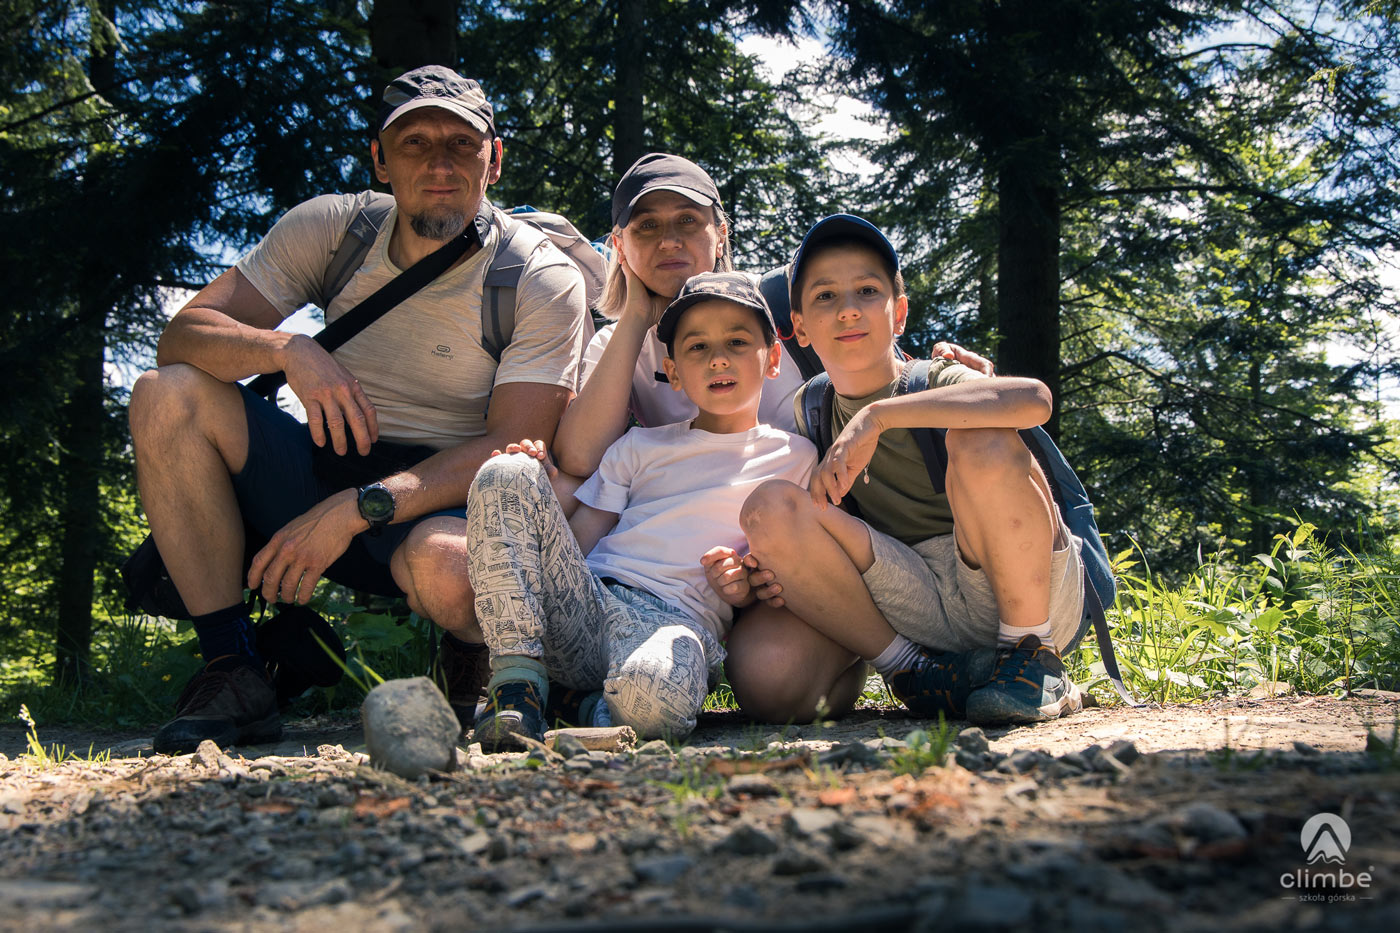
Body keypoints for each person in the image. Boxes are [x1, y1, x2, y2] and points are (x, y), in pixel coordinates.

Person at [127, 65, 591, 753]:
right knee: (166, 393)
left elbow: (513, 442)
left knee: (449, 568)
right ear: (379, 159)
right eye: (414, 142)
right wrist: (289, 348)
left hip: (444, 499)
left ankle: (471, 649)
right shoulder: (333, 230)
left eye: (462, 144)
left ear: (494, 161)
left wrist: (356, 508)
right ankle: (234, 666)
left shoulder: (538, 277)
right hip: (317, 466)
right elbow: (184, 336)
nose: (440, 162)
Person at [551, 152, 993, 724]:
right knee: (557, 486)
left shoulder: (768, 319)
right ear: (618, 243)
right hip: (697, 565)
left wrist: (946, 377)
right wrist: (637, 314)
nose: (669, 241)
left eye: (688, 221)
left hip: (796, 545)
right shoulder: (620, 345)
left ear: (720, 233)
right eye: (647, 227)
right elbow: (581, 458)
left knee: (772, 679)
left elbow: (866, 367)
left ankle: (893, 656)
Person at [730, 215, 1087, 726]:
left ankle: (1034, 657)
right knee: (768, 509)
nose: (849, 309)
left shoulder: (936, 377)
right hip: (911, 591)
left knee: (982, 437)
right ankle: (913, 671)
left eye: (867, 291)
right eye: (825, 296)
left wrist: (879, 417)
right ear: (800, 327)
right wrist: (759, 562)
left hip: (1017, 581)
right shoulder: (810, 408)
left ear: (898, 314)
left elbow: (1034, 399)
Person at [466, 272, 816, 748]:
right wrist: (536, 493)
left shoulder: (795, 457)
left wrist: (743, 589)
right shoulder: (640, 444)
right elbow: (582, 540)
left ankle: (575, 708)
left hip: (675, 623)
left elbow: (786, 564)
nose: (718, 358)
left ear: (772, 358)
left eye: (737, 341)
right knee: (506, 471)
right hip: (589, 602)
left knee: (657, 700)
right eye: (697, 348)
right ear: (672, 372)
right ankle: (517, 685)